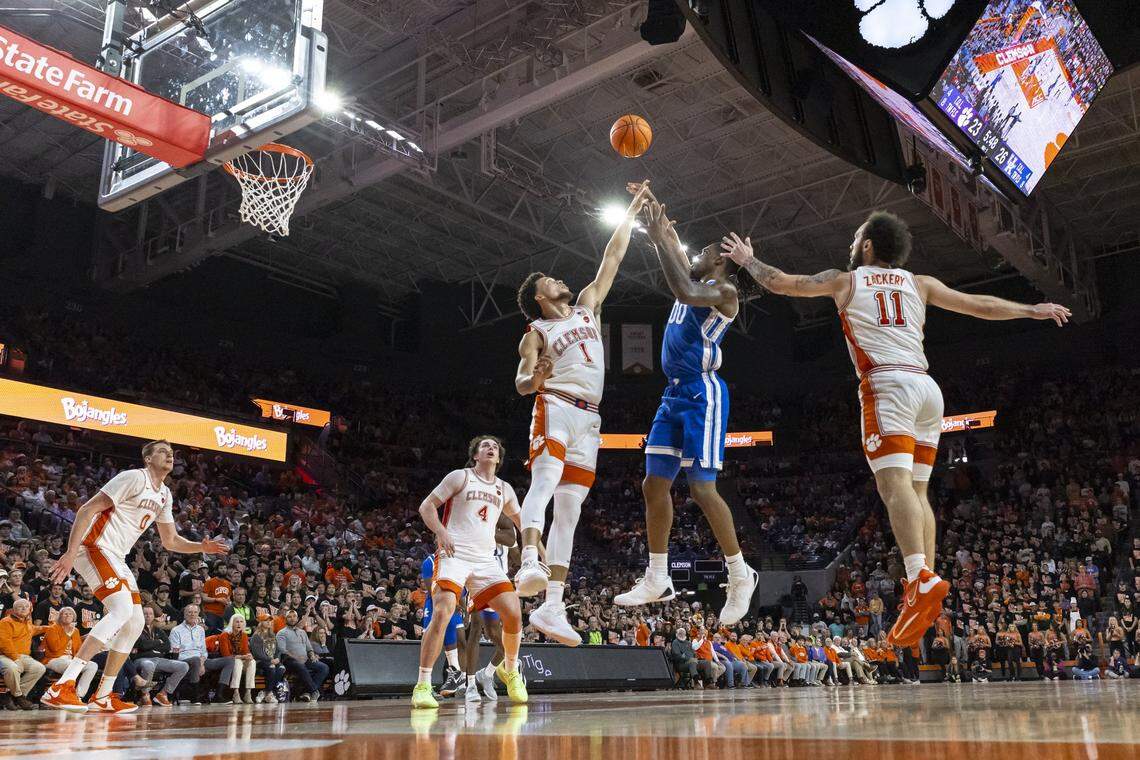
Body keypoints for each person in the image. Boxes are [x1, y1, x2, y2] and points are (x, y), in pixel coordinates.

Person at [721, 213, 1070, 646]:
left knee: (894, 488)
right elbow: (979, 305)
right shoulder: (919, 283)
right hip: (928, 389)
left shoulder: (845, 280)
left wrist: (749, 261)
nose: (851, 242)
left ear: (867, 246)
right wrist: (1032, 310)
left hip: (887, 386)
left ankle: (917, 576)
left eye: (854, 236)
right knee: (918, 491)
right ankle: (923, 582)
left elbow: (783, 283)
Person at [512, 182, 652, 644]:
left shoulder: (588, 307)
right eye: (548, 281)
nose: (557, 279)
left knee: (570, 511)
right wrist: (538, 378)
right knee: (545, 484)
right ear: (538, 296)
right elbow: (520, 382)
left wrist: (630, 211)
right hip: (555, 406)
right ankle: (529, 560)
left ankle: (552, 607)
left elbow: (611, 256)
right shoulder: (536, 331)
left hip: (590, 419)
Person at [616, 194, 758, 625]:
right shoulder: (694, 272)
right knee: (652, 486)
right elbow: (673, 243)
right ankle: (658, 576)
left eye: (705, 252)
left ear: (720, 263)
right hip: (673, 395)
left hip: (703, 395)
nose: (695, 254)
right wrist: (652, 207)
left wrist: (661, 241)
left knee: (701, 489)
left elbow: (682, 285)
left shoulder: (723, 290)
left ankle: (740, 573)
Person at [41, 440, 228, 713]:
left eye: (172, 454)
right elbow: (86, 509)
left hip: (116, 556)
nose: (170, 456)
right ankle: (62, 686)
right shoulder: (132, 478)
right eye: (163, 452)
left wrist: (201, 546)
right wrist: (70, 553)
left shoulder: (164, 494)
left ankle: (103, 694)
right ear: (148, 458)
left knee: (135, 621)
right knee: (121, 609)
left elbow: (171, 540)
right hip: (95, 546)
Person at [412, 436, 528, 709]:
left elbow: (524, 524)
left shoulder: (505, 489)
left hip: (486, 560)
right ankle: (423, 685)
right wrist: (441, 532)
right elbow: (426, 506)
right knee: (443, 612)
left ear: (499, 458)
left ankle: (509, 670)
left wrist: (537, 552)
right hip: (455, 555)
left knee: (513, 614)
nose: (491, 448)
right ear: (475, 454)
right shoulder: (460, 477)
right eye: (485, 445)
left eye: (495, 447)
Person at [463, 512, 518, 704]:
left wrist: (485, 532)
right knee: (476, 628)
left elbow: (510, 539)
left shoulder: (503, 518)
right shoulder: (474, 513)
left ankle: (487, 673)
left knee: (499, 639)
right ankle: (470, 685)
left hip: (498, 580)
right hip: (477, 578)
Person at [419, 553, 466, 697]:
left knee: (460, 640)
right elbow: (432, 589)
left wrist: (465, 609)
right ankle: (427, 683)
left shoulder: (460, 559)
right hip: (435, 602)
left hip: (455, 602)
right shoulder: (429, 562)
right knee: (432, 639)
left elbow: (463, 590)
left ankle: (460, 679)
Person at [133, 605, 187, 707]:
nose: (148, 616)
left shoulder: (158, 630)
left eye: (150, 614)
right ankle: (145, 694)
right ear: (141, 615)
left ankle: (163, 694)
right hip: (141, 659)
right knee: (149, 665)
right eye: (145, 614)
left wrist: (150, 646)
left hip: (158, 659)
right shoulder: (136, 628)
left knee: (183, 666)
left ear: (154, 616)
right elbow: (142, 645)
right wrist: (158, 642)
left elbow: (167, 646)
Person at [0, 598, 47, 709]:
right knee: (12, 668)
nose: (24, 608)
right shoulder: (6, 622)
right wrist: (15, 658)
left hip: (23, 656)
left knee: (39, 668)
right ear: (14, 609)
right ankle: (19, 697)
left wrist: (50, 628)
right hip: (4, 655)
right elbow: (4, 642)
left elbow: (35, 629)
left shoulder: (27, 622)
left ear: (30, 609)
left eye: (26, 606)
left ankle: (11, 696)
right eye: (20, 606)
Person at [41, 606, 97, 699]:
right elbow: (55, 648)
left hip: (70, 660)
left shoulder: (75, 631)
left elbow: (78, 650)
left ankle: (78, 695)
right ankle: (58, 695)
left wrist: (83, 660)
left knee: (92, 665)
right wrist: (68, 634)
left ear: (74, 617)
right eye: (65, 614)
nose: (68, 615)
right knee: (71, 665)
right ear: (60, 616)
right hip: (54, 659)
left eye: (70, 614)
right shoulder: (52, 629)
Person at [276, 609, 329, 702]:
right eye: (289, 617)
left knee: (324, 667)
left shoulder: (303, 632)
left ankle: (307, 692)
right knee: (299, 665)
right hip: (289, 660)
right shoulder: (282, 633)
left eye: (294, 616)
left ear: (297, 619)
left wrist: (312, 655)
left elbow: (309, 648)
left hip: (305, 659)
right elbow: (282, 650)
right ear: (286, 619)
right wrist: (296, 657)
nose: (292, 619)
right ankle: (314, 691)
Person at [170, 604, 209, 704]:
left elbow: (204, 650)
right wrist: (199, 661)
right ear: (184, 614)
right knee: (195, 660)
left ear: (198, 615)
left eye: (195, 612)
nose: (192, 615)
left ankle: (217, 695)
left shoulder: (200, 630)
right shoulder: (176, 630)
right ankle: (195, 696)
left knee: (227, 661)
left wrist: (202, 661)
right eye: (190, 612)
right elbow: (175, 652)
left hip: (200, 659)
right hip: (183, 659)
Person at [219, 614, 257, 704]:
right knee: (238, 662)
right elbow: (226, 655)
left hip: (240, 660)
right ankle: (235, 693)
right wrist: (243, 657)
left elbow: (245, 651)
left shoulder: (243, 635)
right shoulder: (224, 635)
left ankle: (248, 693)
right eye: (237, 622)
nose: (239, 624)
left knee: (252, 662)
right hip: (229, 663)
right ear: (232, 623)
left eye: (241, 622)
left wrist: (249, 655)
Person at [250, 615, 285, 704]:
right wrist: (270, 660)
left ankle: (265, 692)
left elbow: (278, 650)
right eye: (266, 620)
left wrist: (277, 658)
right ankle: (269, 693)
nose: (269, 622)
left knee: (281, 668)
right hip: (260, 661)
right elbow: (257, 653)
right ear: (261, 623)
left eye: (270, 620)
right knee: (272, 667)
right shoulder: (256, 636)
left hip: (272, 660)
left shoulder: (273, 635)